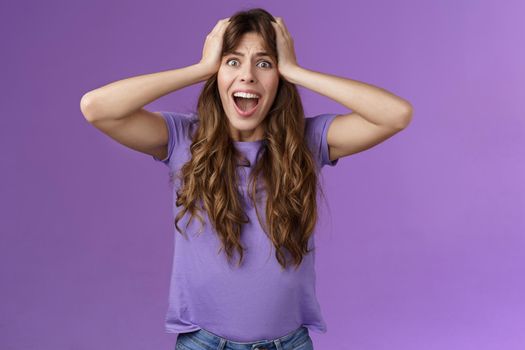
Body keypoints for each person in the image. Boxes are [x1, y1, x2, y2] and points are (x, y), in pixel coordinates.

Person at [80, 7, 413, 350]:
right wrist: (199, 69)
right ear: (217, 74)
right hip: (203, 344)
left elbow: (396, 115)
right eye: (233, 61)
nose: (248, 76)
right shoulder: (184, 138)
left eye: (264, 63)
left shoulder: (308, 141)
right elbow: (96, 107)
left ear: (279, 79)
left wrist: (297, 71)